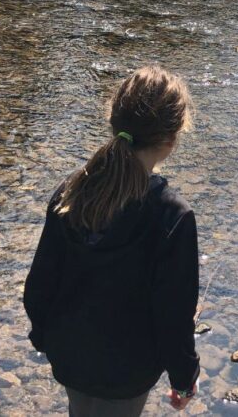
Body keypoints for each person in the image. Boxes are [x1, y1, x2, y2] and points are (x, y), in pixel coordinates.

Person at [24, 66, 200, 416]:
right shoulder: (173, 216)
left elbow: (39, 283)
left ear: (113, 120)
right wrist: (184, 377)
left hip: (69, 355)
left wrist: (44, 337)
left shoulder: (71, 191)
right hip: (127, 371)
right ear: (172, 139)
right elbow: (174, 319)